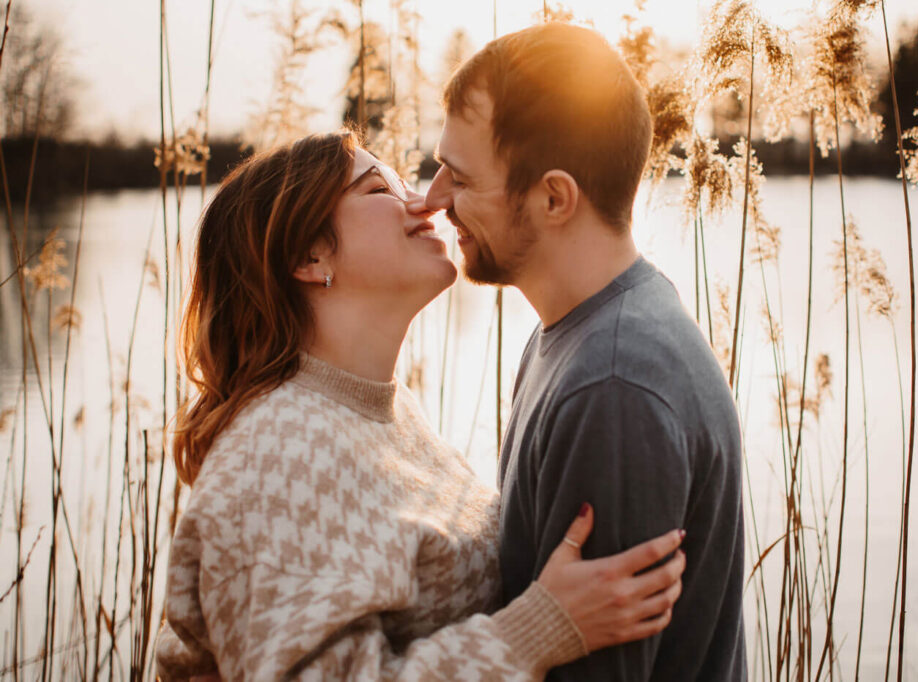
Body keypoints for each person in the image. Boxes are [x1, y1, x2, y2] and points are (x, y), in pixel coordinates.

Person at [154, 131, 688, 681]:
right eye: (377, 189)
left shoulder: (383, 411)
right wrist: (540, 629)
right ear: (310, 254)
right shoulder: (274, 450)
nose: (424, 200)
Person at [412, 22, 746, 681]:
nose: (433, 200)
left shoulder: (613, 388)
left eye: (461, 176)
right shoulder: (572, 337)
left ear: (554, 197)